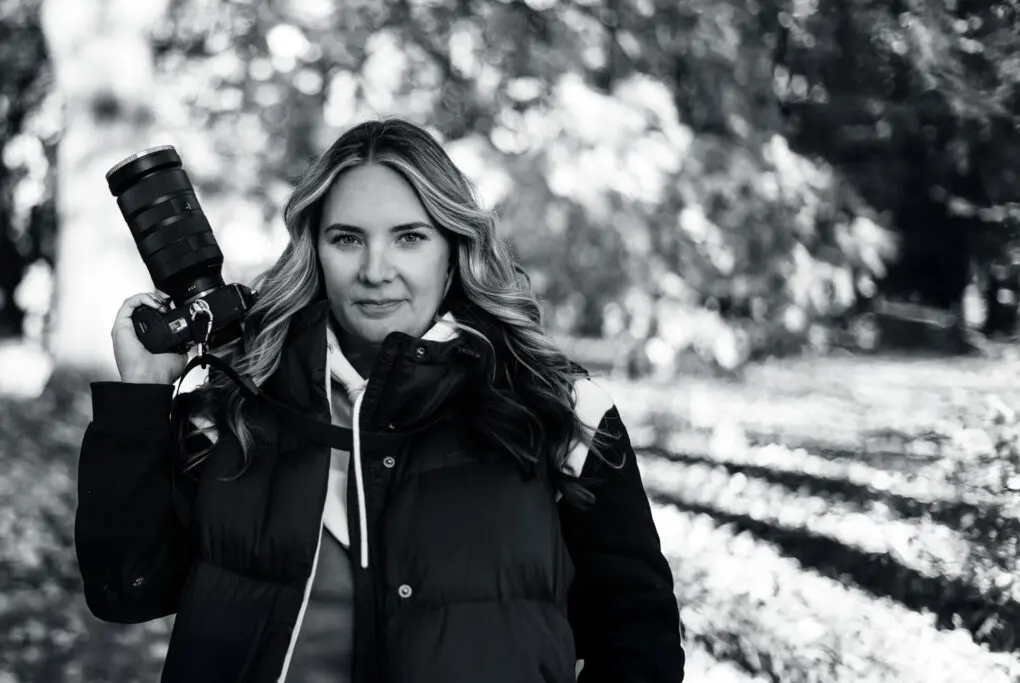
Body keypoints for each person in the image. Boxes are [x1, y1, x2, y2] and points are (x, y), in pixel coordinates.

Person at [76, 117, 685, 683]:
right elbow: (125, 589)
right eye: (347, 239)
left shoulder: (561, 408)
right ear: (314, 249)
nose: (375, 270)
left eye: (409, 238)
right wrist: (143, 398)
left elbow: (640, 638)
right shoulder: (237, 401)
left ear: (453, 251)